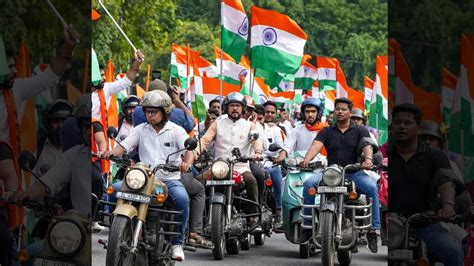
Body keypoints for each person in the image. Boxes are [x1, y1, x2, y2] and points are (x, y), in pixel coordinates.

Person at [0, 25, 79, 266]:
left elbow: (50, 76)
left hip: (5, 171)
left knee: (6, 240)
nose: (14, 72)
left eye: (14, 66)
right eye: (8, 67)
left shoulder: (18, 88)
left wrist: (68, 47)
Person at [104, 90, 193, 261]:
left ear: (165, 112)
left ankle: (177, 243)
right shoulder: (140, 129)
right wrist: (111, 152)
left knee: (182, 199)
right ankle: (116, 233)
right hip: (142, 179)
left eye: (154, 111)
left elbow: (189, 150)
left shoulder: (176, 130)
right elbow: (123, 146)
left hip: (168, 180)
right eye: (147, 111)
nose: (149, 115)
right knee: (113, 191)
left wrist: (186, 163)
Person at [301, 97, 381, 253]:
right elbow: (316, 146)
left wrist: (368, 160)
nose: (340, 112)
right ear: (334, 111)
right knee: (309, 184)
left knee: (371, 187)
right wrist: (306, 159)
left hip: (354, 173)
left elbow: (367, 145)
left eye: (344, 109)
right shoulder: (327, 131)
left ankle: (374, 230)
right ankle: (308, 225)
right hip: (331, 173)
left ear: (350, 112)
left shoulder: (360, 130)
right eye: (337, 109)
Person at [389, 103, 463, 265]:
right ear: (391, 126)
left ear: (418, 128)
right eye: (397, 122)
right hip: (389, 227)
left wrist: (448, 206)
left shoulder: (435, 156)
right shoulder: (384, 154)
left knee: (453, 251)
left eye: (407, 123)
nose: (402, 126)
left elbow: (446, 181)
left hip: (424, 225)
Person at [194, 92, 263, 227]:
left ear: (243, 108)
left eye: (238, 106)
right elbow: (205, 140)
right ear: (226, 108)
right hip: (220, 166)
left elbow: (256, 141)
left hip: (240, 167)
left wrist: (258, 152)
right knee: (198, 182)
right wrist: (195, 152)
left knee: (251, 180)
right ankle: (198, 222)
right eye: (232, 106)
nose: (235, 109)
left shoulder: (249, 125)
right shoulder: (218, 124)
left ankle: (253, 216)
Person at [260, 101, 286, 230]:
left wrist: (274, 157)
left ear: (276, 114)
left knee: (276, 175)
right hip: (255, 162)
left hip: (272, 162)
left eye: (272, 112)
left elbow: (280, 148)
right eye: (267, 112)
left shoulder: (277, 130)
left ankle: (279, 211)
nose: (269, 115)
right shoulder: (255, 126)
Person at [34, 100, 73, 176]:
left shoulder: (78, 149)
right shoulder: (38, 146)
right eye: (56, 121)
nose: (61, 126)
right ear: (48, 123)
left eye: (64, 121)